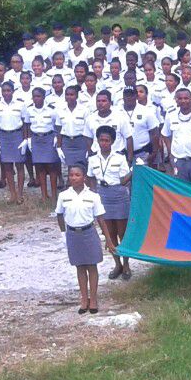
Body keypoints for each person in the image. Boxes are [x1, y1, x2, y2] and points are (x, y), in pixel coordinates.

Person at [54, 163, 106, 314]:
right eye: (71, 175)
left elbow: (100, 219)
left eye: (77, 175)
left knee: (92, 266)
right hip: (72, 234)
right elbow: (59, 215)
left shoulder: (93, 196)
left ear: (84, 178)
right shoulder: (64, 196)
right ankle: (84, 298)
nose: (74, 178)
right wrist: (63, 233)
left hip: (89, 233)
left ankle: (93, 299)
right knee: (80, 266)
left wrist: (108, 240)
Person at [87, 124, 133, 280]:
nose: (104, 143)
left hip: (119, 195)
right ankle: (117, 264)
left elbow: (124, 180)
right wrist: (94, 193)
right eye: (101, 140)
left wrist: (133, 171)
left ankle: (126, 264)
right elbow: (90, 177)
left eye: (107, 140)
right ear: (97, 141)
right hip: (103, 196)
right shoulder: (93, 159)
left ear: (112, 142)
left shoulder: (119, 158)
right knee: (110, 233)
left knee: (122, 233)